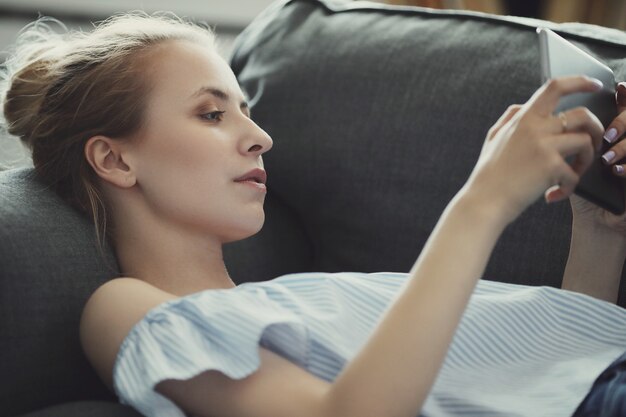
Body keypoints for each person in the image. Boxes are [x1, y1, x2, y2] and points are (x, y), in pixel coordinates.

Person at [2, 11, 626, 417]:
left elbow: (561, 365)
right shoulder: (127, 308)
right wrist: (483, 199)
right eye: (212, 113)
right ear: (114, 158)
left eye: (246, 110)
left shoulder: (301, 300)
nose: (260, 138)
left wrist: (603, 222)